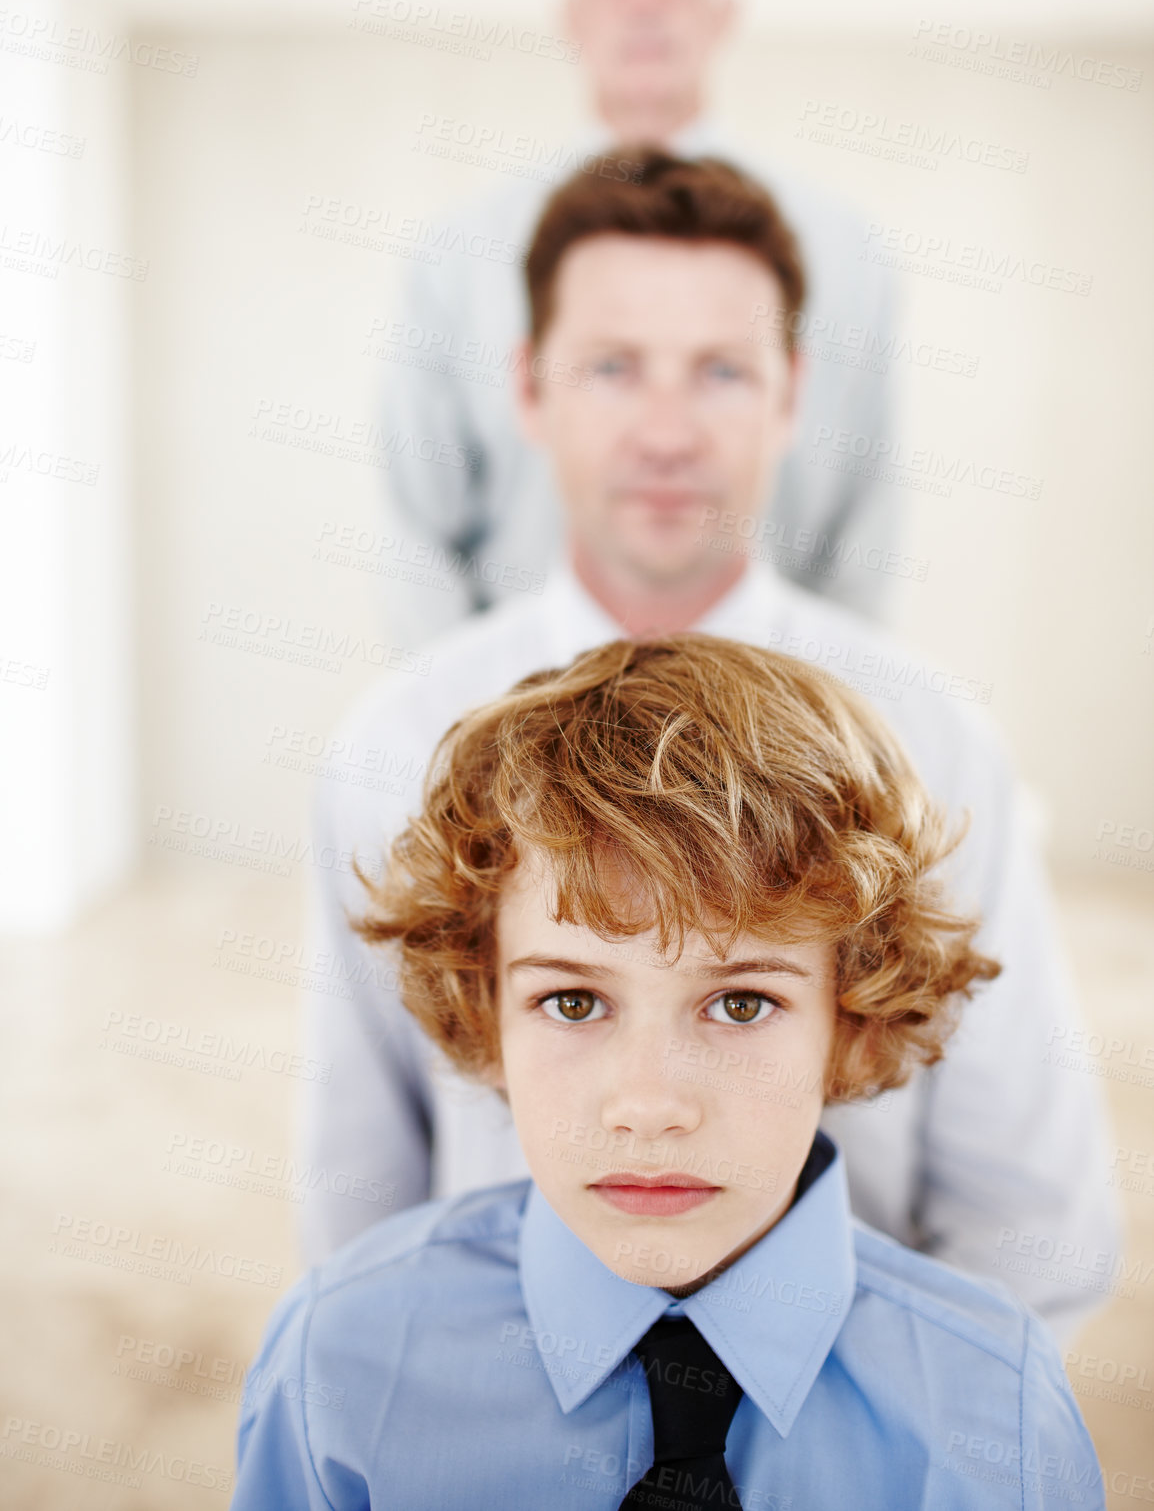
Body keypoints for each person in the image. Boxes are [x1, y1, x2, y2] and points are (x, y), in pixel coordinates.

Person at [299, 151, 1118, 1341]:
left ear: (790, 394)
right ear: (528, 388)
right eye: (614, 366)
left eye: (720, 371)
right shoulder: (393, 744)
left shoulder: (935, 743)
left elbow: (1030, 1215)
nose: (667, 430)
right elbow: (356, 1176)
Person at [238, 637, 1103, 1510]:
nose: (649, 1106)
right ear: (483, 1010)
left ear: (854, 1026)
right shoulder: (337, 1365)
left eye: (739, 1004)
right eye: (574, 1002)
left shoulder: (1000, 1412)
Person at [383, 0, 901, 631]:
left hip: (763, 728)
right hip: (523, 723)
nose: (645, 5)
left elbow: (861, 532)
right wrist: (471, 730)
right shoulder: (457, 258)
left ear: (724, 10)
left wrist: (812, 734)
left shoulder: (843, 253)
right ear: (571, 10)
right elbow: (417, 533)